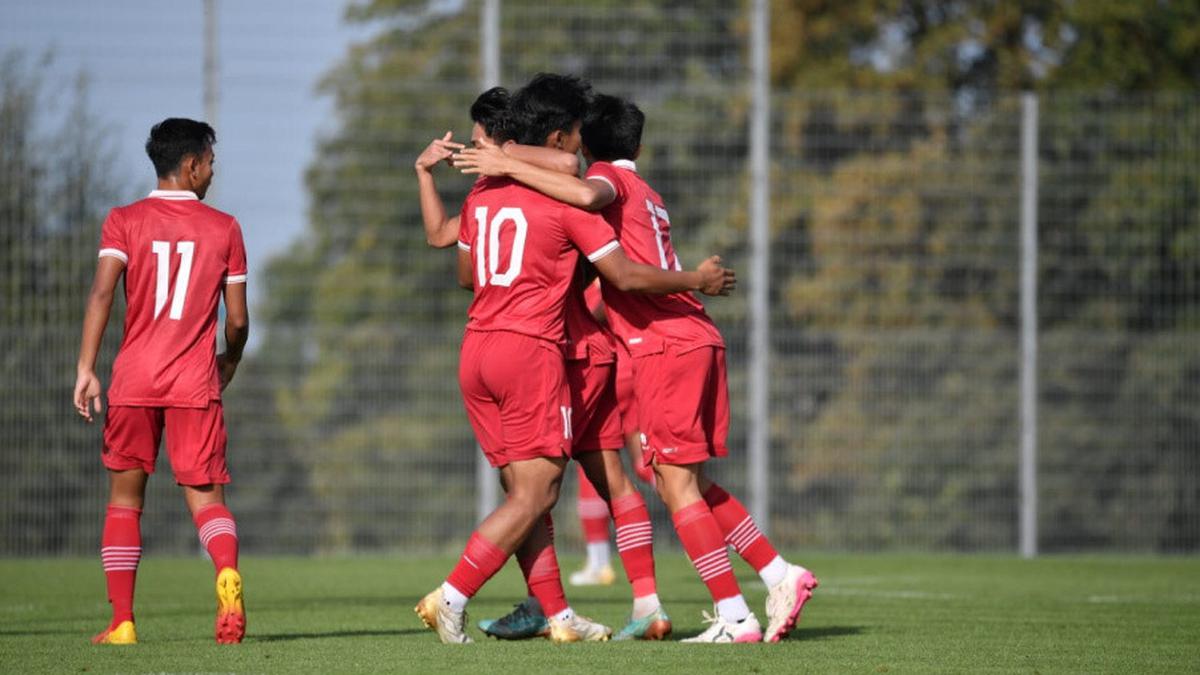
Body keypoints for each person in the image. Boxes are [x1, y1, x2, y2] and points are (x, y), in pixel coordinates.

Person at [454, 93, 817, 644]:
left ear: (583, 145)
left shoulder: (606, 183)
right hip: (686, 339)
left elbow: (589, 211)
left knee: (654, 483)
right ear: (639, 146)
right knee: (681, 481)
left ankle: (736, 615)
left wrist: (504, 162)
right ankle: (773, 574)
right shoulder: (645, 189)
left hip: (660, 344)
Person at [413, 74, 733, 645]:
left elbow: (461, 266)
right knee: (578, 486)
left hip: (482, 348)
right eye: (577, 138)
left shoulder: (484, 195)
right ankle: (464, 596)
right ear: (560, 138)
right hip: (555, 352)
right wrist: (695, 281)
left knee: (530, 494)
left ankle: (559, 614)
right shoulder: (564, 199)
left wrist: (484, 166)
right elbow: (625, 273)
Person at [74, 118, 249, 645]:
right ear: (192, 164)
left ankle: (123, 621)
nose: (214, 173)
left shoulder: (123, 220)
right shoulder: (225, 228)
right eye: (211, 163)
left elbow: (103, 295)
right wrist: (229, 361)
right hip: (195, 384)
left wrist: (86, 368)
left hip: (132, 382)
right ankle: (225, 572)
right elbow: (237, 321)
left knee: (125, 502)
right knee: (208, 501)